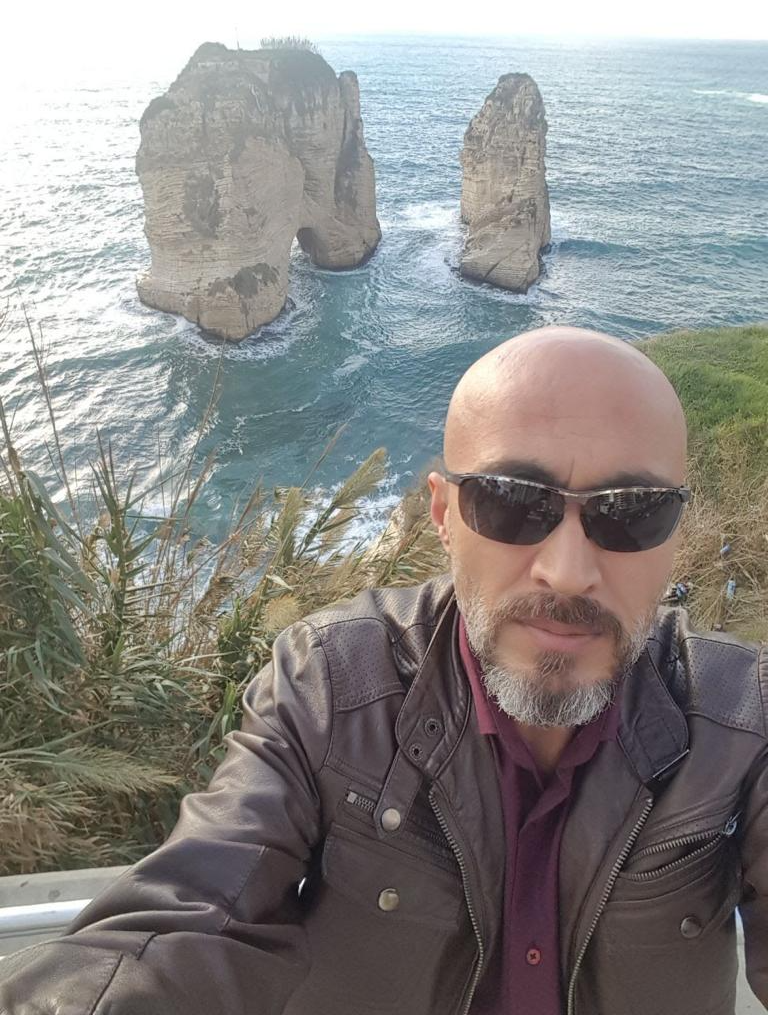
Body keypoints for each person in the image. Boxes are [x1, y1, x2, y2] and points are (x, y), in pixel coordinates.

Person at [1, 326, 766, 1015]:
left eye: (630, 513)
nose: (567, 572)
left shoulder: (743, 719)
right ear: (442, 516)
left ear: (675, 533)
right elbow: (193, 909)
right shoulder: (330, 689)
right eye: (511, 503)